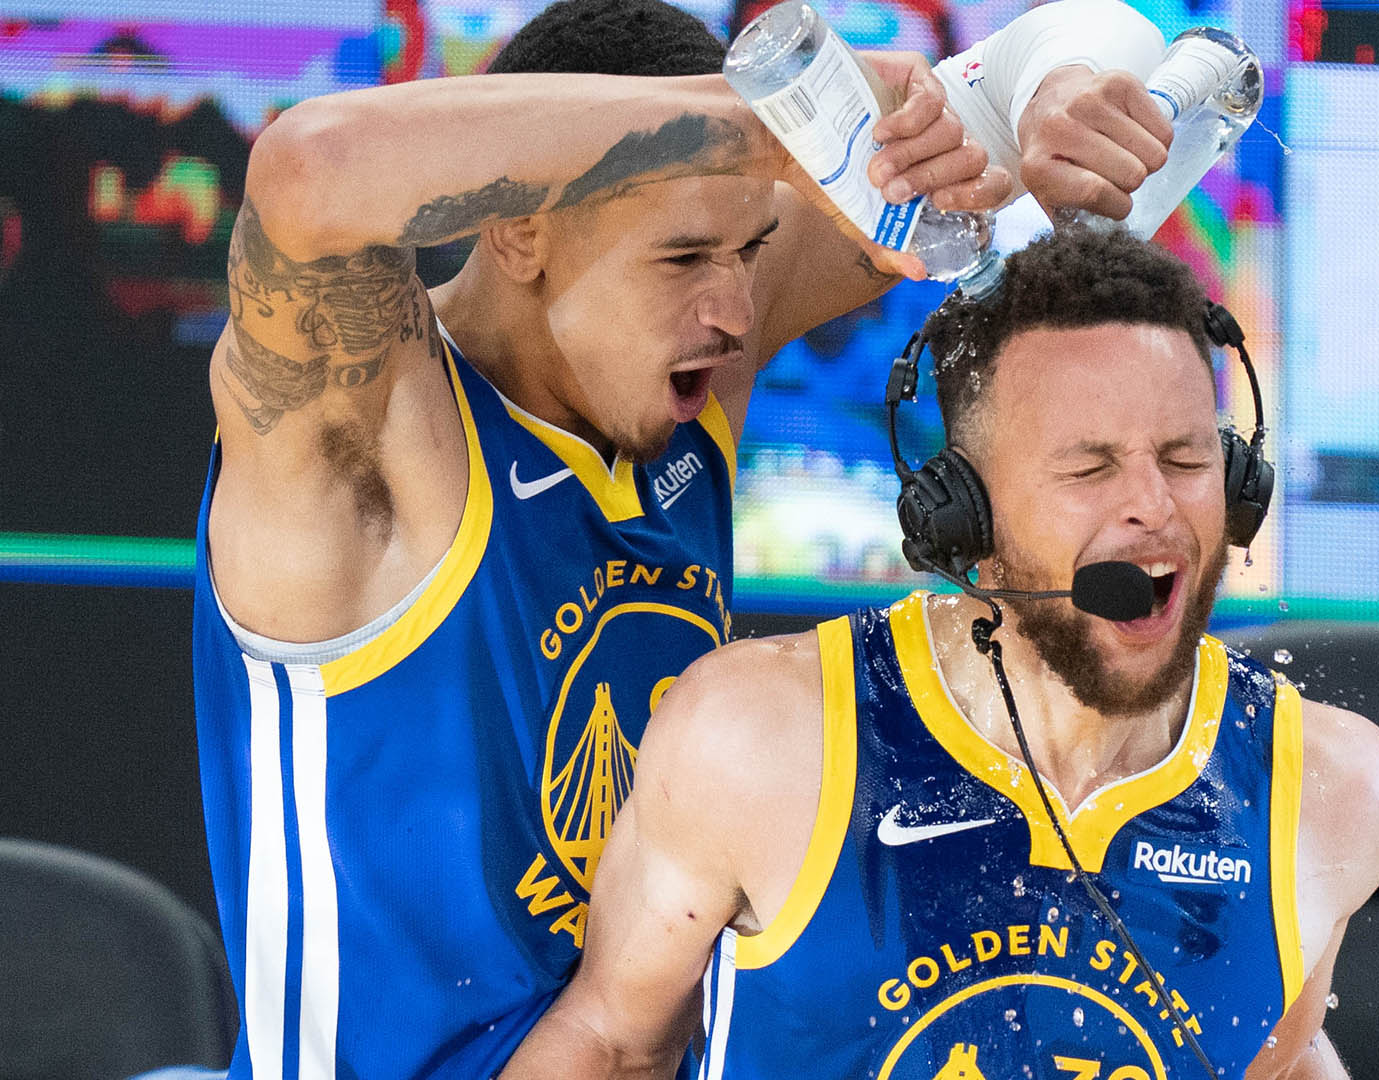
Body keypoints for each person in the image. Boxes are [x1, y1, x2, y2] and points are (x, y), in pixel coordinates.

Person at [190, 0, 1177, 1075]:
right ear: (519, 227)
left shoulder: (689, 359)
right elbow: (309, 169)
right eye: (684, 256)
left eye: (750, 248)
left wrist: (1055, 99)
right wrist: (765, 119)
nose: (738, 312)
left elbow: (1056, 39)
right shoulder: (373, 433)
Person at [500, 227, 1379, 1078]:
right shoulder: (760, 737)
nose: (1154, 509)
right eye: (1088, 470)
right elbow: (611, 1045)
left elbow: (1278, 1059)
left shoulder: (1329, 791)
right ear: (965, 519)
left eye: (1185, 457)